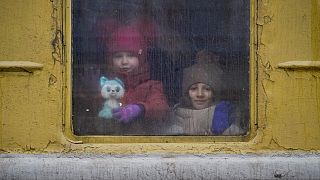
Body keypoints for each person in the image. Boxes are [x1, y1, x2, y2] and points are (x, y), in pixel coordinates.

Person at [102, 20, 169, 129]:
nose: (124, 61)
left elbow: (162, 108)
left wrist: (141, 108)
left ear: (141, 58)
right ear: (110, 59)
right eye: (118, 56)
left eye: (131, 56)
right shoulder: (105, 85)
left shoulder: (151, 86)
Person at [166, 51, 246, 135]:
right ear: (187, 94)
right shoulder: (174, 129)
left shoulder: (228, 124)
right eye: (193, 89)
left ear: (214, 93)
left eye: (207, 89)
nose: (200, 94)